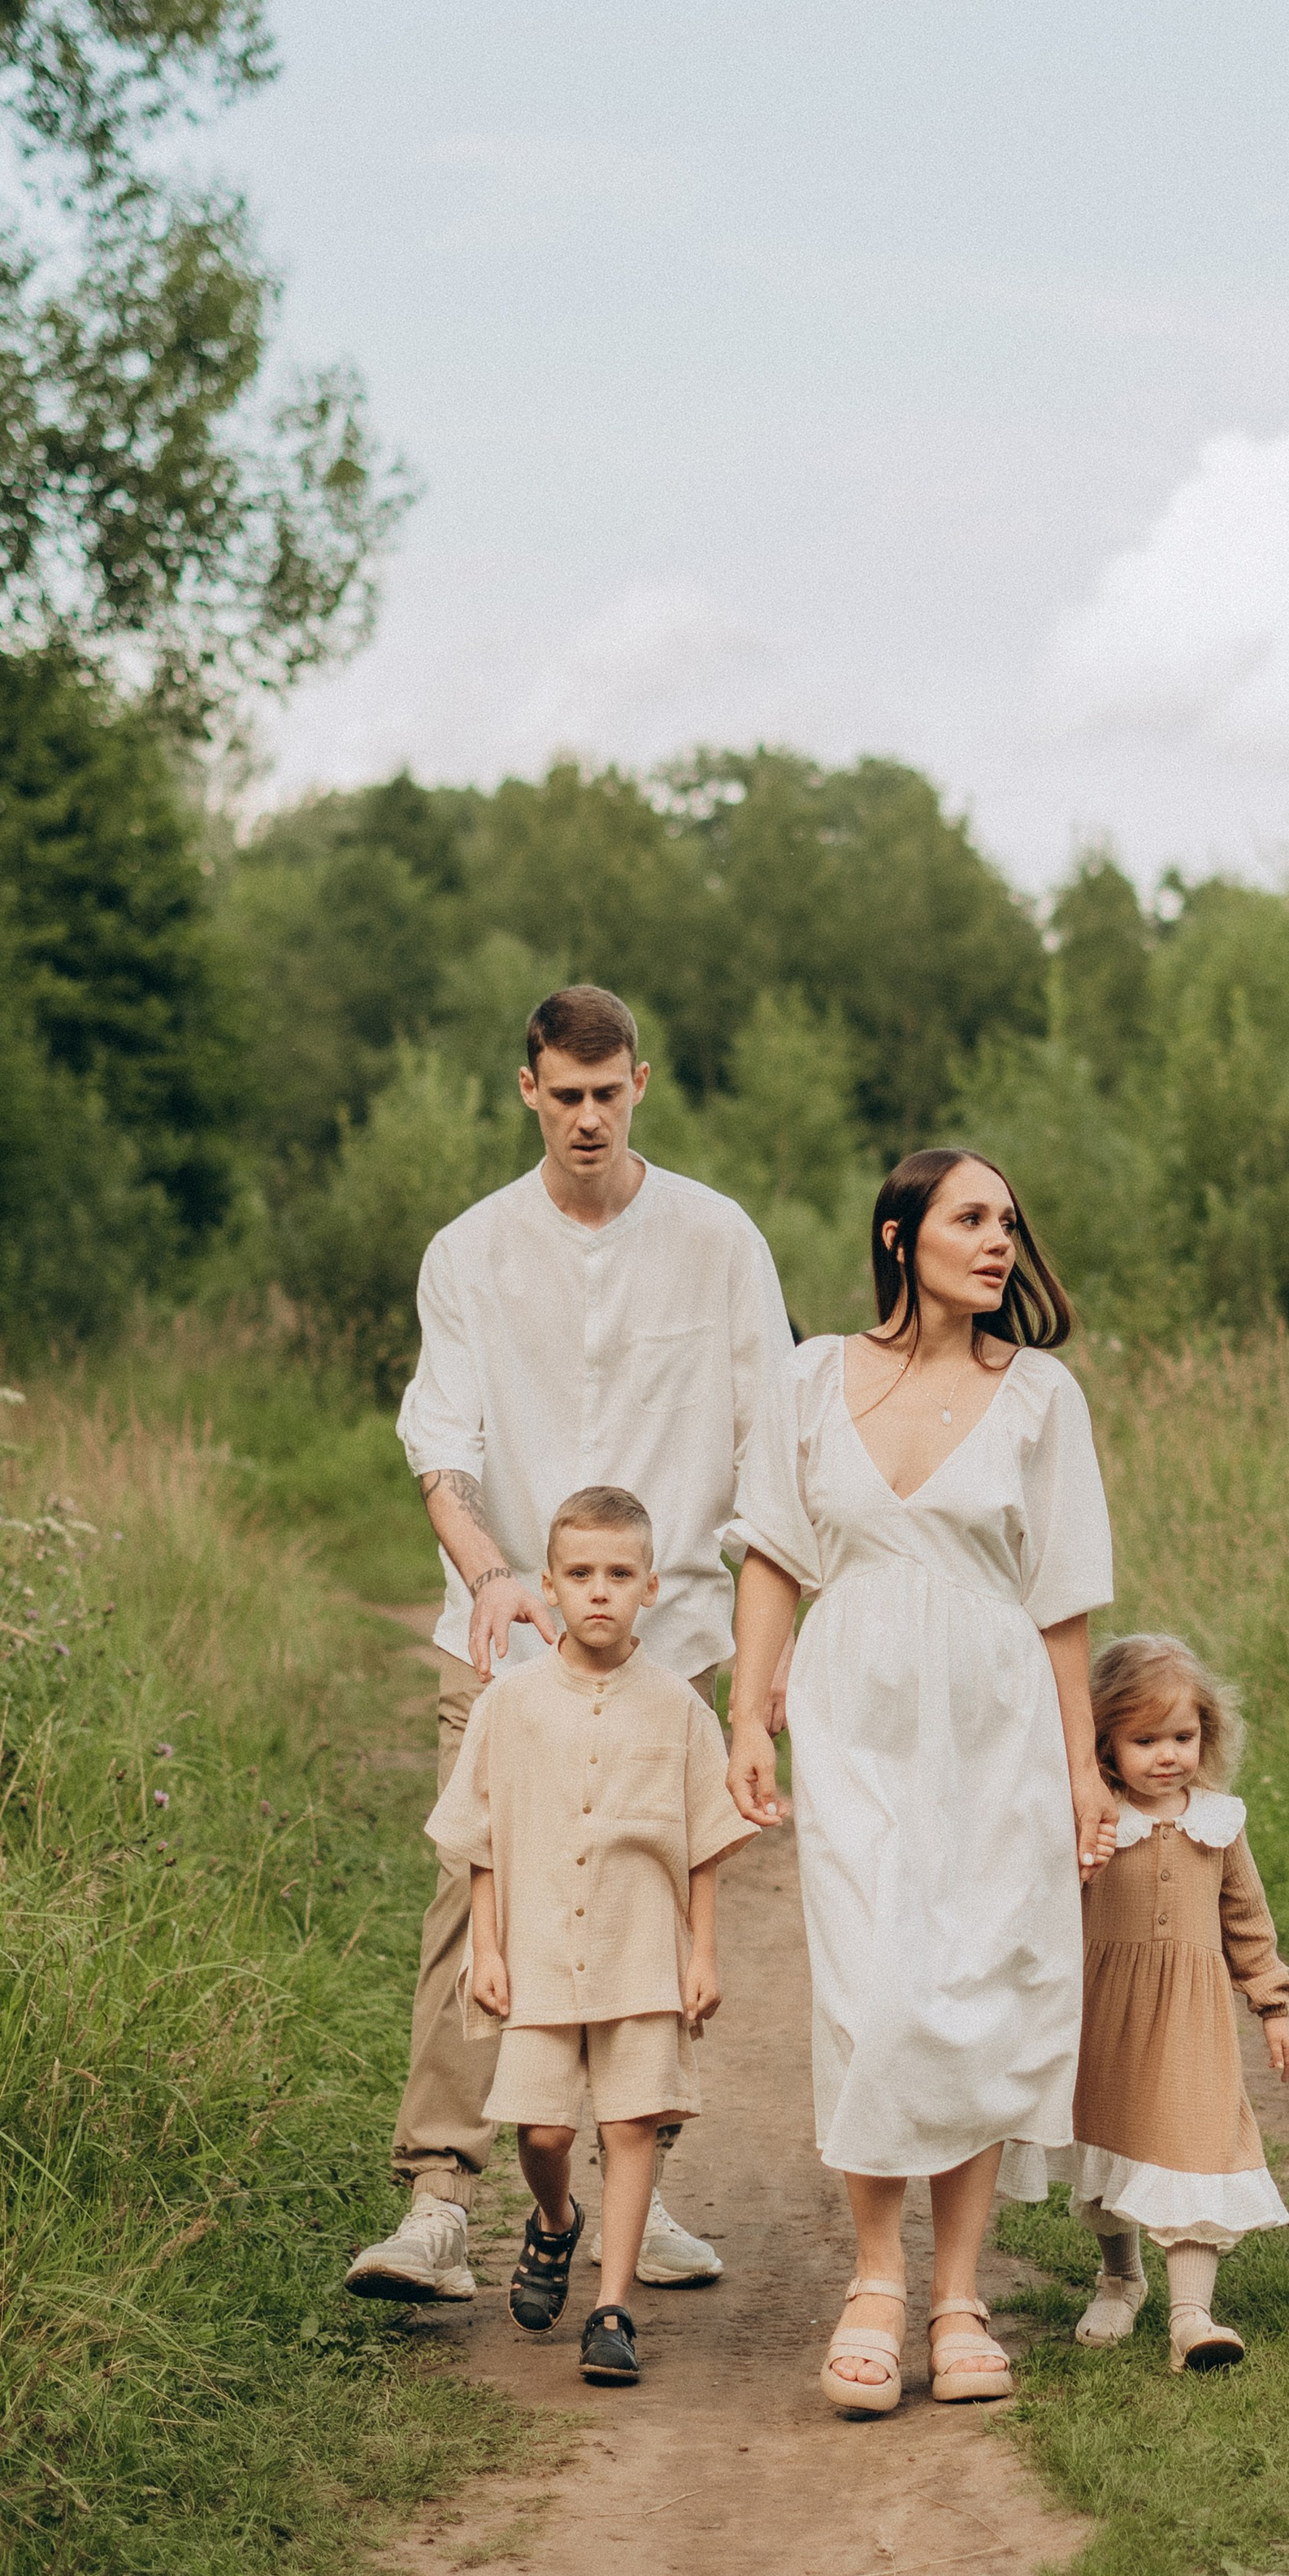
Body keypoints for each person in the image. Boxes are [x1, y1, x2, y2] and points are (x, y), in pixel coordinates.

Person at [345, 983, 793, 2305]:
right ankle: (439, 2199)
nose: (588, 1118)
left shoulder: (718, 1239)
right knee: (472, 1888)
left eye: (608, 1094)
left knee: (645, 1903)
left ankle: (632, 2199)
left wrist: (761, 1667)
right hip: (504, 1639)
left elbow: (772, 1445)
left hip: (671, 1637)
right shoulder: (470, 1251)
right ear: (527, 1090)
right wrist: (491, 1575)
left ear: (639, 1085)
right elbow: (441, 1445)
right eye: (565, 1095)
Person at [725, 1147, 1118, 2416]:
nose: (999, 1241)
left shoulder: (1041, 1395)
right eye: (970, 1218)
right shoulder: (811, 1378)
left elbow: (1064, 1598)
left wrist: (1082, 1770)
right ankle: (873, 2280)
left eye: (1008, 1221)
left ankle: (957, 2298)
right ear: (901, 1236)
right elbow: (774, 1555)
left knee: (977, 1997)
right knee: (877, 1990)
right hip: (856, 1712)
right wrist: (747, 1713)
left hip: (997, 1717)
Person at [429, 1487, 757, 2385]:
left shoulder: (679, 1709)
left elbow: (704, 1843)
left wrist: (702, 1954)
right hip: (536, 1949)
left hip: (640, 1950)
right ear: (549, 1584)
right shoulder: (511, 1703)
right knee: (542, 2132)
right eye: (580, 1574)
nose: (599, 1591)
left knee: (630, 2125)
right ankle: (555, 2222)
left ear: (651, 1586)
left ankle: (611, 2309)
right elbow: (481, 1839)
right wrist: (486, 1948)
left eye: (619, 1573)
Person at [1003, 1632, 1289, 2372]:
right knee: (1115, 2141)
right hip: (1107, 2015)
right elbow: (1043, 1907)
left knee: (1195, 2144)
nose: (1167, 1755)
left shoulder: (1219, 1822)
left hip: (1193, 2023)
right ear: (1103, 1741)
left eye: (1182, 1737)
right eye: (1145, 1740)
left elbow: (1247, 1920)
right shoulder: (1094, 1818)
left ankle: (1192, 2316)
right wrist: (1078, 1866)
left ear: (1206, 1733)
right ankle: (1121, 2278)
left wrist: (1273, 2007)